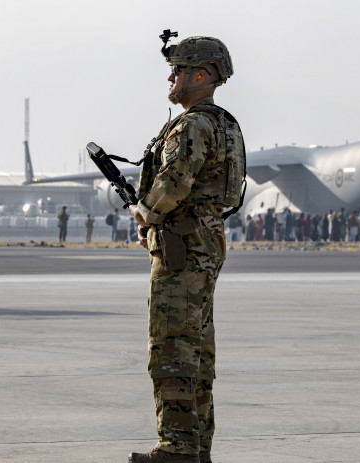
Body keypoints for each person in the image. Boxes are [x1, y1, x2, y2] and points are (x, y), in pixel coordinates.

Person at [128, 33, 243, 463]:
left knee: (172, 347)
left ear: (202, 74)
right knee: (197, 352)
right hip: (204, 243)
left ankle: (176, 447)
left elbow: (173, 184)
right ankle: (196, 447)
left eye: (178, 70)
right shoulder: (225, 124)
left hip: (180, 249)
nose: (171, 78)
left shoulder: (193, 125)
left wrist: (146, 215)